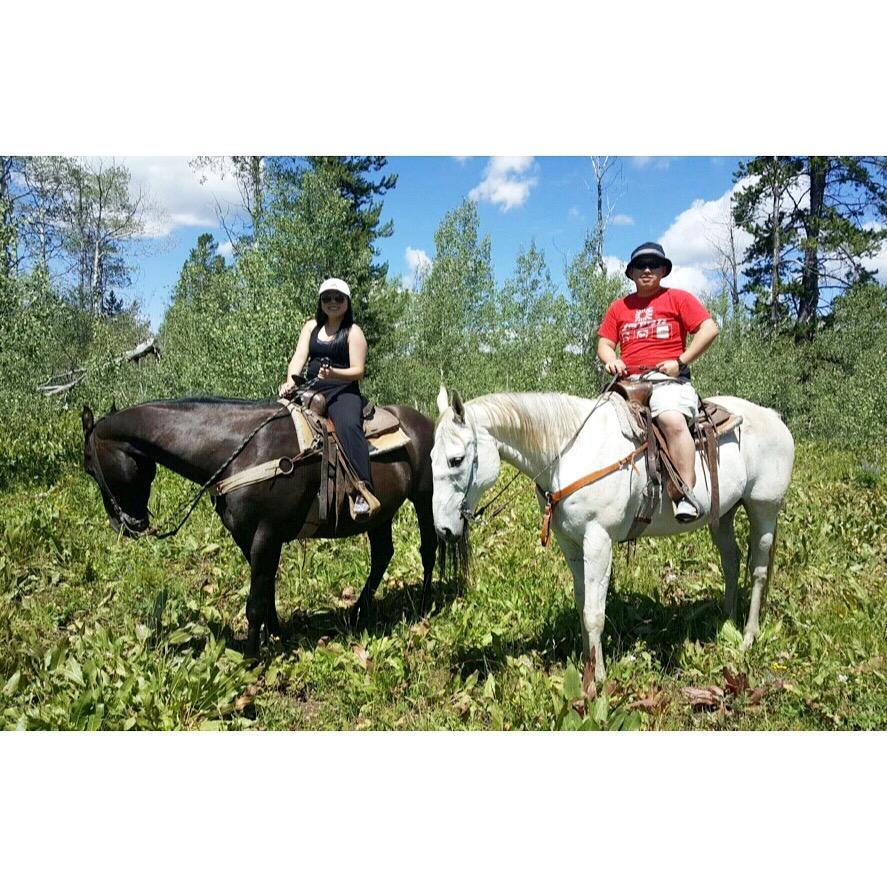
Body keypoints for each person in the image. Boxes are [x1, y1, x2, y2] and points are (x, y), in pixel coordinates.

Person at [597, 242, 720, 522]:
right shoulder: (619, 307)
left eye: (653, 264)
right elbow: (605, 343)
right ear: (631, 273)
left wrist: (681, 362)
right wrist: (611, 360)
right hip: (628, 384)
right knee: (597, 422)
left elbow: (709, 328)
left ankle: (685, 494)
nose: (647, 269)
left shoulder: (678, 298)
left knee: (671, 419)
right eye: (640, 265)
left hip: (667, 382)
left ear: (663, 270)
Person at [279, 278, 375, 519]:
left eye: (338, 298)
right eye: (327, 298)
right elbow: (299, 357)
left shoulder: (353, 331)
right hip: (310, 388)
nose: (333, 302)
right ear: (320, 302)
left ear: (347, 302)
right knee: (278, 420)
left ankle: (363, 490)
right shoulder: (311, 327)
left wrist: (334, 374)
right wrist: (290, 382)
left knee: (348, 425)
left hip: (342, 391)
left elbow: (358, 370)